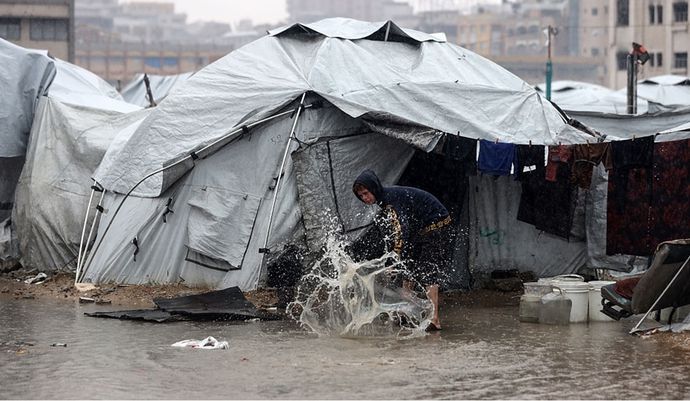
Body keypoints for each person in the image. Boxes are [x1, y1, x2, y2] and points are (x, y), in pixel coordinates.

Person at [352, 169, 453, 330]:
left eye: (366, 193)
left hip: (437, 225)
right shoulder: (384, 200)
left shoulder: (390, 200)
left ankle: (434, 319)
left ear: (374, 188)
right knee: (407, 268)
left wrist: (393, 261)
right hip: (421, 228)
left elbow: (401, 231)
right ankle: (406, 312)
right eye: (361, 196)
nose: (365, 198)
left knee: (428, 271)